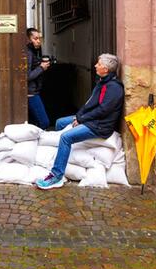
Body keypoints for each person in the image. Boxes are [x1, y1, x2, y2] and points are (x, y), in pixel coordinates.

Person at [36, 53, 124, 190]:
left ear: (106, 69)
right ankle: (59, 156)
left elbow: (103, 111)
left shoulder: (114, 88)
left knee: (66, 137)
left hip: (99, 126)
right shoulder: (102, 82)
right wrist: (79, 116)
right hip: (91, 120)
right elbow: (90, 104)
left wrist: (82, 119)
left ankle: (56, 176)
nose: (95, 65)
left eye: (99, 64)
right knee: (60, 123)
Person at [25, 28, 51, 130]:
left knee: (35, 122)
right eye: (35, 38)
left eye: (39, 38)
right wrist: (41, 67)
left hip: (33, 91)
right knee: (44, 122)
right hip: (31, 93)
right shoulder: (28, 53)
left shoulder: (32, 51)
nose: (38, 41)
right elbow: (27, 76)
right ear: (28, 39)